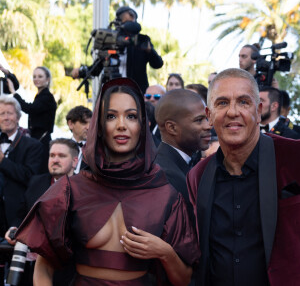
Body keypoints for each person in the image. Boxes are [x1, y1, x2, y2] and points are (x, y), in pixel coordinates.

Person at [15, 77, 200, 286]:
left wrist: (166, 252)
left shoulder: (165, 194)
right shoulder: (70, 191)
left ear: (143, 125)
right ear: (99, 126)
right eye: (111, 116)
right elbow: (43, 268)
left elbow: (184, 280)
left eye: (131, 116)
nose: (121, 125)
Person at [187, 68, 300, 286]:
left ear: (258, 112)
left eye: (243, 102)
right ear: (209, 116)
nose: (232, 112)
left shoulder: (294, 157)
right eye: (222, 103)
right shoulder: (198, 176)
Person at [5, 138, 79, 286]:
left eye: (62, 156)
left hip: (68, 269)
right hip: (28, 266)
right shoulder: (36, 181)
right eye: (52, 155)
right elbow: (22, 213)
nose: (55, 160)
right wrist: (14, 228)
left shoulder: (84, 189)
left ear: (75, 161)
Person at [71, 6, 163, 94]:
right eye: (127, 23)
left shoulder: (141, 41)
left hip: (136, 93)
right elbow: (96, 69)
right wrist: (80, 72)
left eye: (133, 23)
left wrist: (150, 51)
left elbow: (158, 64)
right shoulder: (110, 41)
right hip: (113, 91)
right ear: (118, 23)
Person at [154, 89, 211, 224]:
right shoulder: (165, 175)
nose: (208, 126)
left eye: (207, 118)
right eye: (199, 120)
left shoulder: (180, 164)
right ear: (172, 128)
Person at [0, 96, 43, 232]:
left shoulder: (33, 145)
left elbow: (30, 177)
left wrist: (3, 161)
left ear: (18, 117)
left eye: (10, 113)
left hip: (19, 216)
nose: (6, 117)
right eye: (2, 113)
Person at [66, 106, 92, 174]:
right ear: (71, 124)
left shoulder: (97, 150)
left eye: (91, 123)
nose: (88, 127)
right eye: (84, 123)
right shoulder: (62, 148)